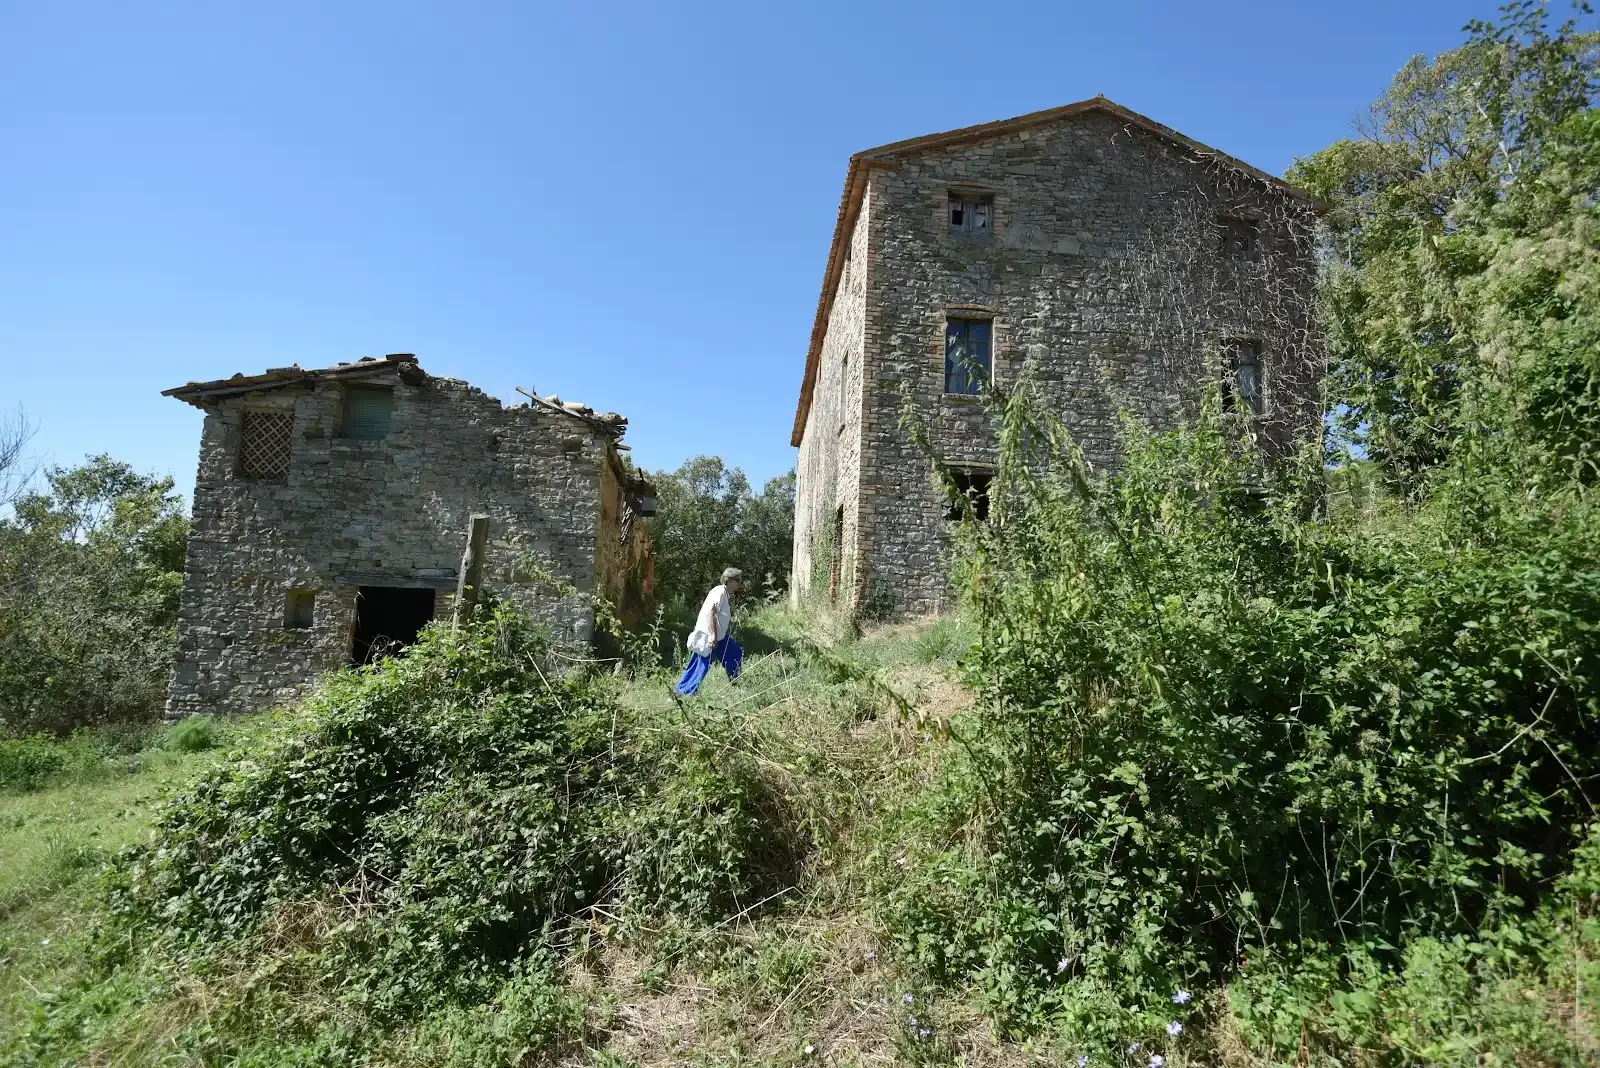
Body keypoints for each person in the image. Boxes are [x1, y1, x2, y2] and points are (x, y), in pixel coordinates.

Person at [674, 568, 744, 697]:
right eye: (737, 580)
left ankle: (735, 681)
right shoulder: (720, 591)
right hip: (709, 636)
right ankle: (682, 692)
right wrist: (713, 635)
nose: (739, 583)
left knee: (735, 652)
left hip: (720, 637)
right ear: (729, 580)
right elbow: (711, 612)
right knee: (700, 665)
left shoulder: (724, 593)